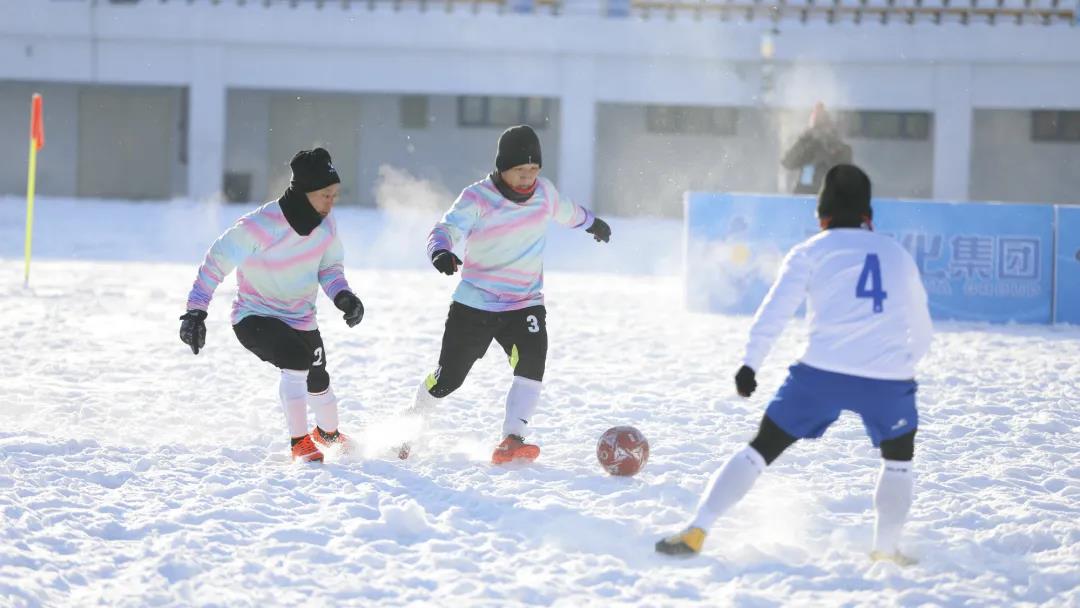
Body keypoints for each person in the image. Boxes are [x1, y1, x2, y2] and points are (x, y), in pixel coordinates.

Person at [656, 164, 932, 565]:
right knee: (899, 460)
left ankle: (698, 528)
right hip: (887, 378)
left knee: (760, 449)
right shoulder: (896, 253)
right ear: (868, 215)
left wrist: (750, 365)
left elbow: (774, 313)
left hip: (821, 373)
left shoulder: (811, 251)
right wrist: (904, 367)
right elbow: (921, 325)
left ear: (823, 214)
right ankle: (886, 550)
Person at [401, 124, 612, 465]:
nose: (528, 177)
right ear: (502, 168)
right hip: (475, 304)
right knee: (448, 378)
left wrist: (593, 224)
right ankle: (414, 420)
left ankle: (512, 438)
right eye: (520, 170)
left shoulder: (545, 194)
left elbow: (570, 212)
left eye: (534, 169)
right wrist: (440, 252)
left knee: (532, 361)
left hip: (524, 302)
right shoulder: (478, 197)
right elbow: (444, 229)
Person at [178, 147, 365, 464]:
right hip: (255, 317)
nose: (331, 202)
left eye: (335, 194)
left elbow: (329, 268)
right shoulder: (259, 226)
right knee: (296, 360)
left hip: (301, 318)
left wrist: (344, 296)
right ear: (304, 192)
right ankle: (299, 443)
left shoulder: (326, 225)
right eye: (325, 195)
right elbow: (215, 263)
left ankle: (328, 435)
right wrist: (195, 312)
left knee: (318, 378)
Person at [781, 102, 853, 195]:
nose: (820, 129)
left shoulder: (843, 149)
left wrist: (828, 142)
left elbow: (843, 174)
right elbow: (788, 163)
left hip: (829, 197)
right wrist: (806, 137)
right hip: (803, 197)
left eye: (824, 120)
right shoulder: (807, 146)